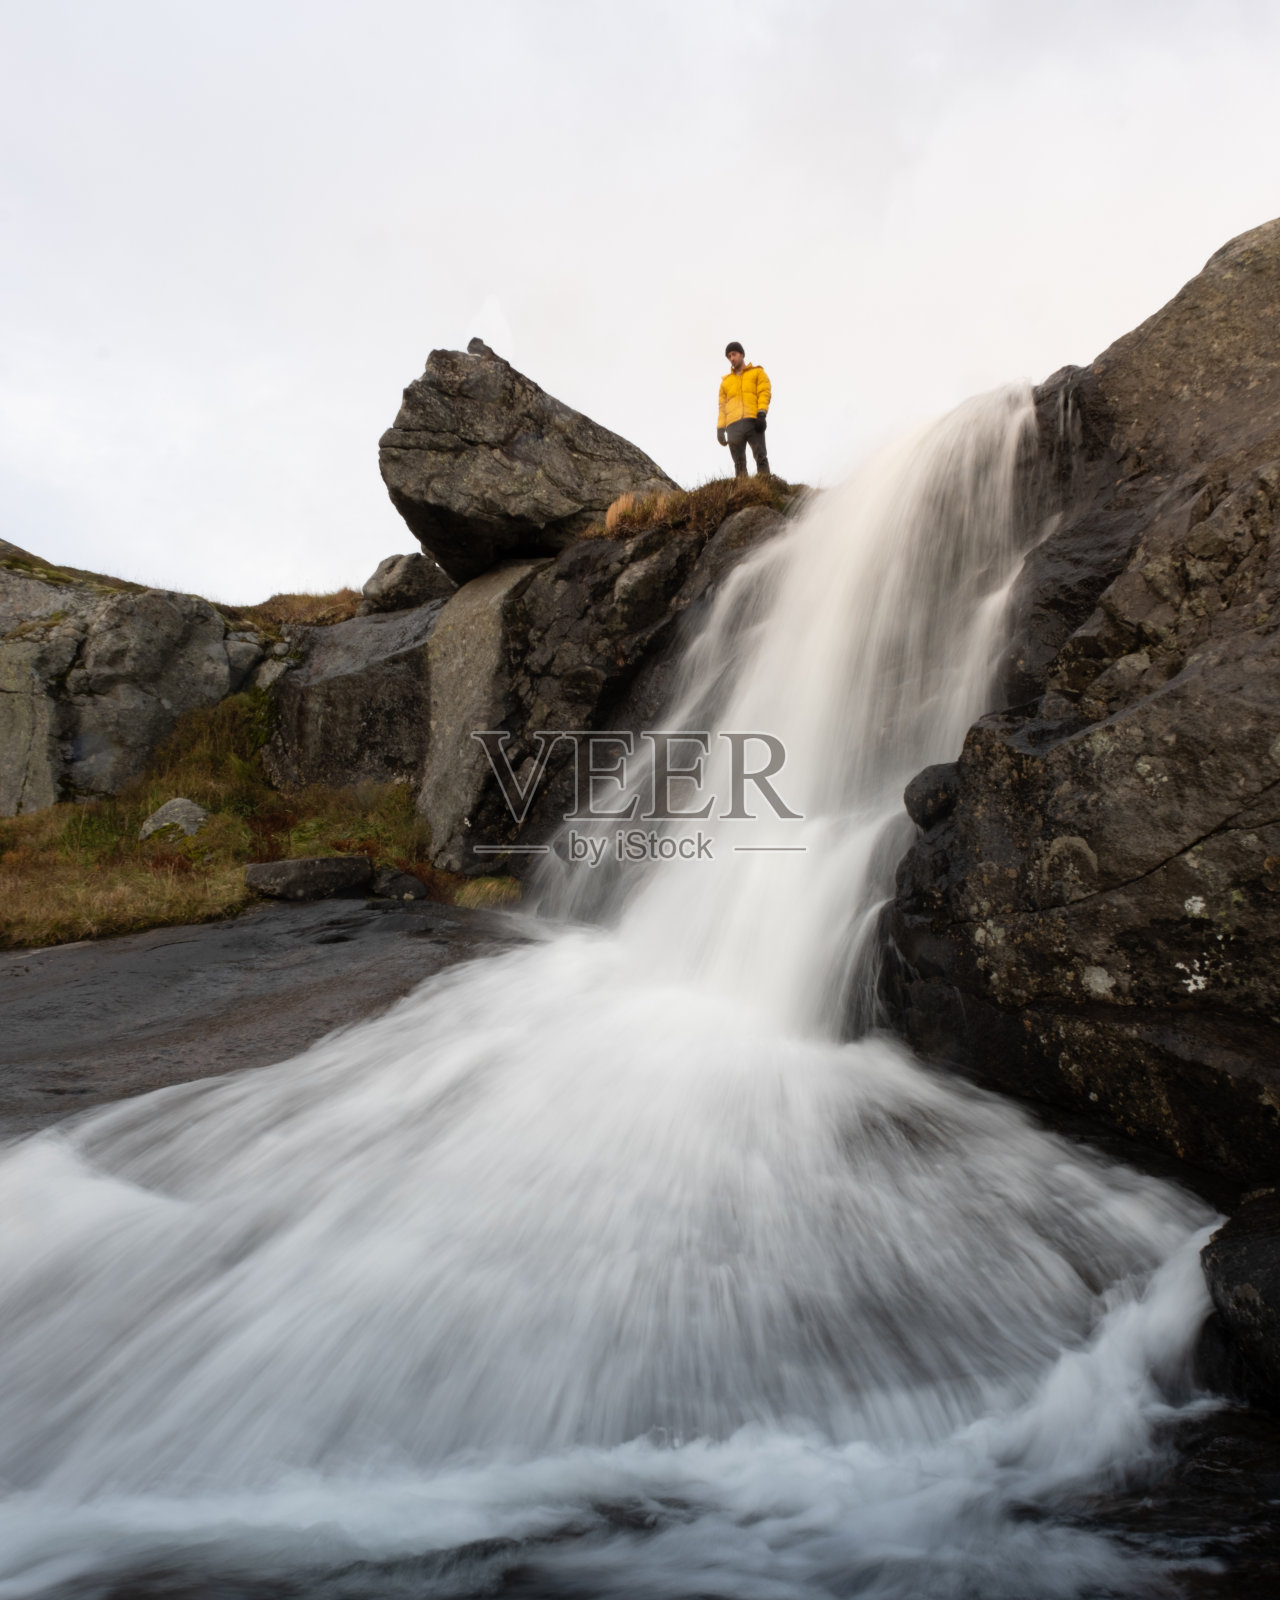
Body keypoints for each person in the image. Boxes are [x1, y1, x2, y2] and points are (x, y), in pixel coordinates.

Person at [716, 342, 771, 478]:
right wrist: (720, 428)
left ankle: (767, 488)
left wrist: (762, 413)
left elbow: (764, 392)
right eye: (729, 356)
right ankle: (743, 492)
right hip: (733, 425)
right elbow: (722, 407)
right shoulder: (725, 382)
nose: (732, 359)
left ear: (742, 354)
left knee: (761, 457)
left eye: (734, 354)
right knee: (739, 464)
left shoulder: (757, 372)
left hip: (753, 420)